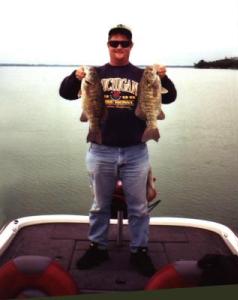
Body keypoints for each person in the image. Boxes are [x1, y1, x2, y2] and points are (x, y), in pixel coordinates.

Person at [59, 24, 177, 277]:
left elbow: (169, 98)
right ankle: (97, 247)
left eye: (124, 43)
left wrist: (164, 78)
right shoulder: (96, 73)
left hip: (136, 151)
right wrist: (74, 77)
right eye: (114, 43)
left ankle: (140, 251)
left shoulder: (142, 74)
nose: (119, 47)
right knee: (100, 206)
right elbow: (65, 93)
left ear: (131, 46)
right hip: (101, 150)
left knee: (139, 208)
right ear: (108, 46)